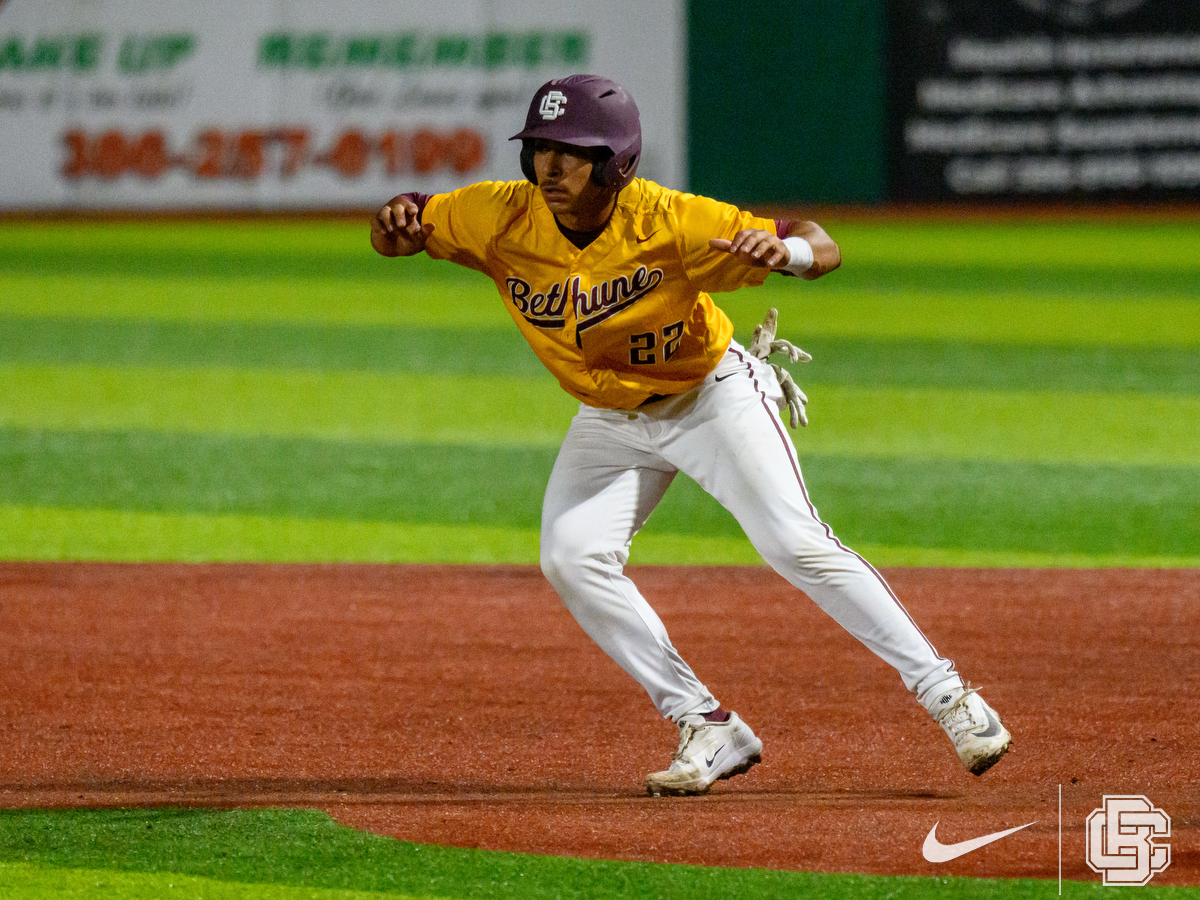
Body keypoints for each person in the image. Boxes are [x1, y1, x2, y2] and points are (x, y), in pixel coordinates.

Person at [371, 74, 1011, 795]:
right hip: (608, 419)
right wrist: (393, 224)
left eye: (570, 152)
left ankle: (951, 698)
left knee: (794, 541)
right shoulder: (497, 214)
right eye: (539, 148)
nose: (548, 167)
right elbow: (409, 221)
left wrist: (793, 257)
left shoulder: (672, 222)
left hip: (711, 400)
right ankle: (707, 723)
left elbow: (815, 241)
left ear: (617, 163)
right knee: (572, 555)